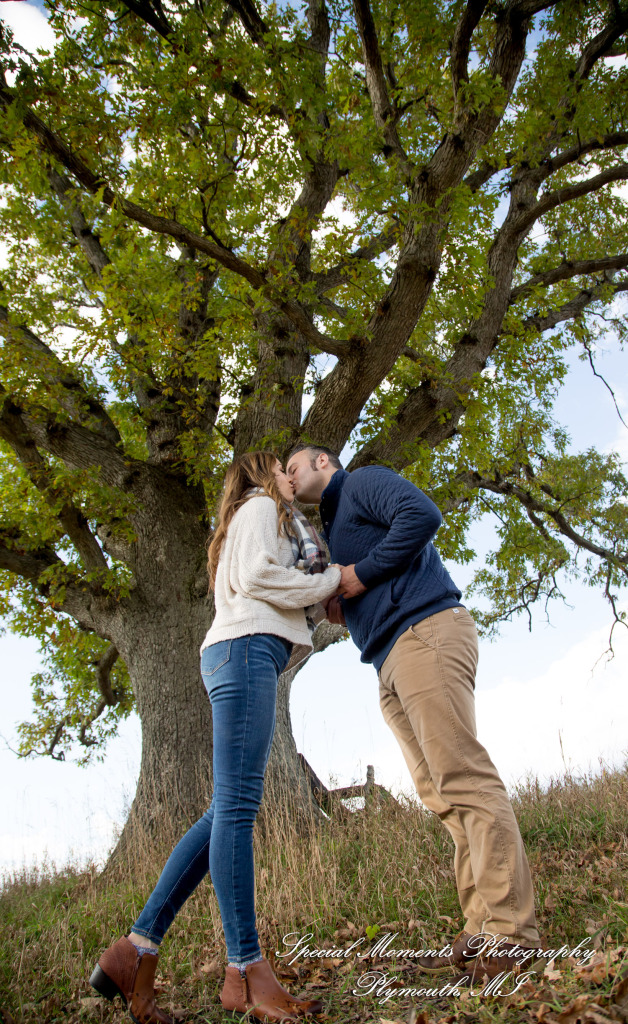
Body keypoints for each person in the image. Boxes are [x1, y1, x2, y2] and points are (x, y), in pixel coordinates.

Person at [89, 452, 341, 1024]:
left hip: (242, 651)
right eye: (281, 468)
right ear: (259, 477)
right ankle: (246, 967)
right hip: (245, 649)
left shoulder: (252, 518)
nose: (288, 478)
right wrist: (329, 580)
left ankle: (136, 949)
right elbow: (257, 577)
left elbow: (262, 583)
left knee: (226, 809)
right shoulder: (259, 508)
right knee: (237, 809)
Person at [286, 444, 541, 981]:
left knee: (464, 778)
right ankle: (481, 928)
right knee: (442, 794)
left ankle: (512, 934)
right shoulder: (333, 529)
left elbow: (422, 515)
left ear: (322, 463)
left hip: (425, 633)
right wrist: (343, 597)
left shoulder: (361, 483)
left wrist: (360, 575)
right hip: (389, 657)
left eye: (292, 468)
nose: (288, 478)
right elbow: (367, 574)